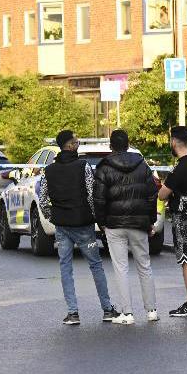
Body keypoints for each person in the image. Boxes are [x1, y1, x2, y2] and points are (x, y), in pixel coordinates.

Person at [38, 130, 120, 326]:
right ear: (70, 145)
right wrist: (97, 219)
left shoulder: (48, 170)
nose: (78, 143)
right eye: (76, 141)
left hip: (62, 227)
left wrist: (53, 216)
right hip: (83, 225)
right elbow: (92, 195)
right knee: (96, 265)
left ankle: (73, 312)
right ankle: (107, 309)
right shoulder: (83, 166)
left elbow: (42, 199)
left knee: (65, 267)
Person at [93, 129, 160, 326]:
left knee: (121, 268)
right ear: (128, 144)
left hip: (114, 225)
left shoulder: (104, 167)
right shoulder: (142, 165)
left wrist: (102, 222)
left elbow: (98, 199)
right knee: (144, 265)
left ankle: (127, 313)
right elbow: (151, 195)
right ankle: (152, 311)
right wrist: (150, 221)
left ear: (111, 146)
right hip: (139, 224)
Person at [158, 125, 187, 318]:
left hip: (185, 219)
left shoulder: (180, 167)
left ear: (175, 142)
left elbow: (162, 195)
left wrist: (163, 187)